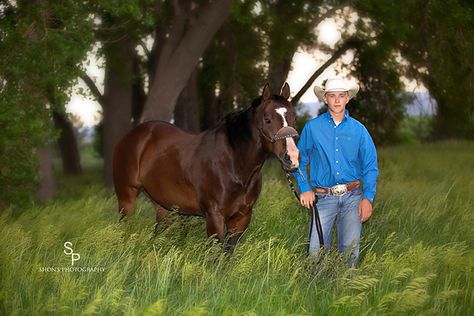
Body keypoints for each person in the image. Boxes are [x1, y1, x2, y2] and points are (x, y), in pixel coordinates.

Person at [293, 76, 378, 267]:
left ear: (348, 98)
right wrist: (304, 187)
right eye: (332, 96)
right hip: (323, 197)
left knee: (350, 253)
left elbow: (370, 165)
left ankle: (345, 291)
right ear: (325, 99)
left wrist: (368, 197)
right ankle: (316, 293)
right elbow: (299, 160)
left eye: (341, 96)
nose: (337, 100)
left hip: (353, 196)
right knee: (315, 253)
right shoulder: (312, 128)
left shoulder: (359, 130)